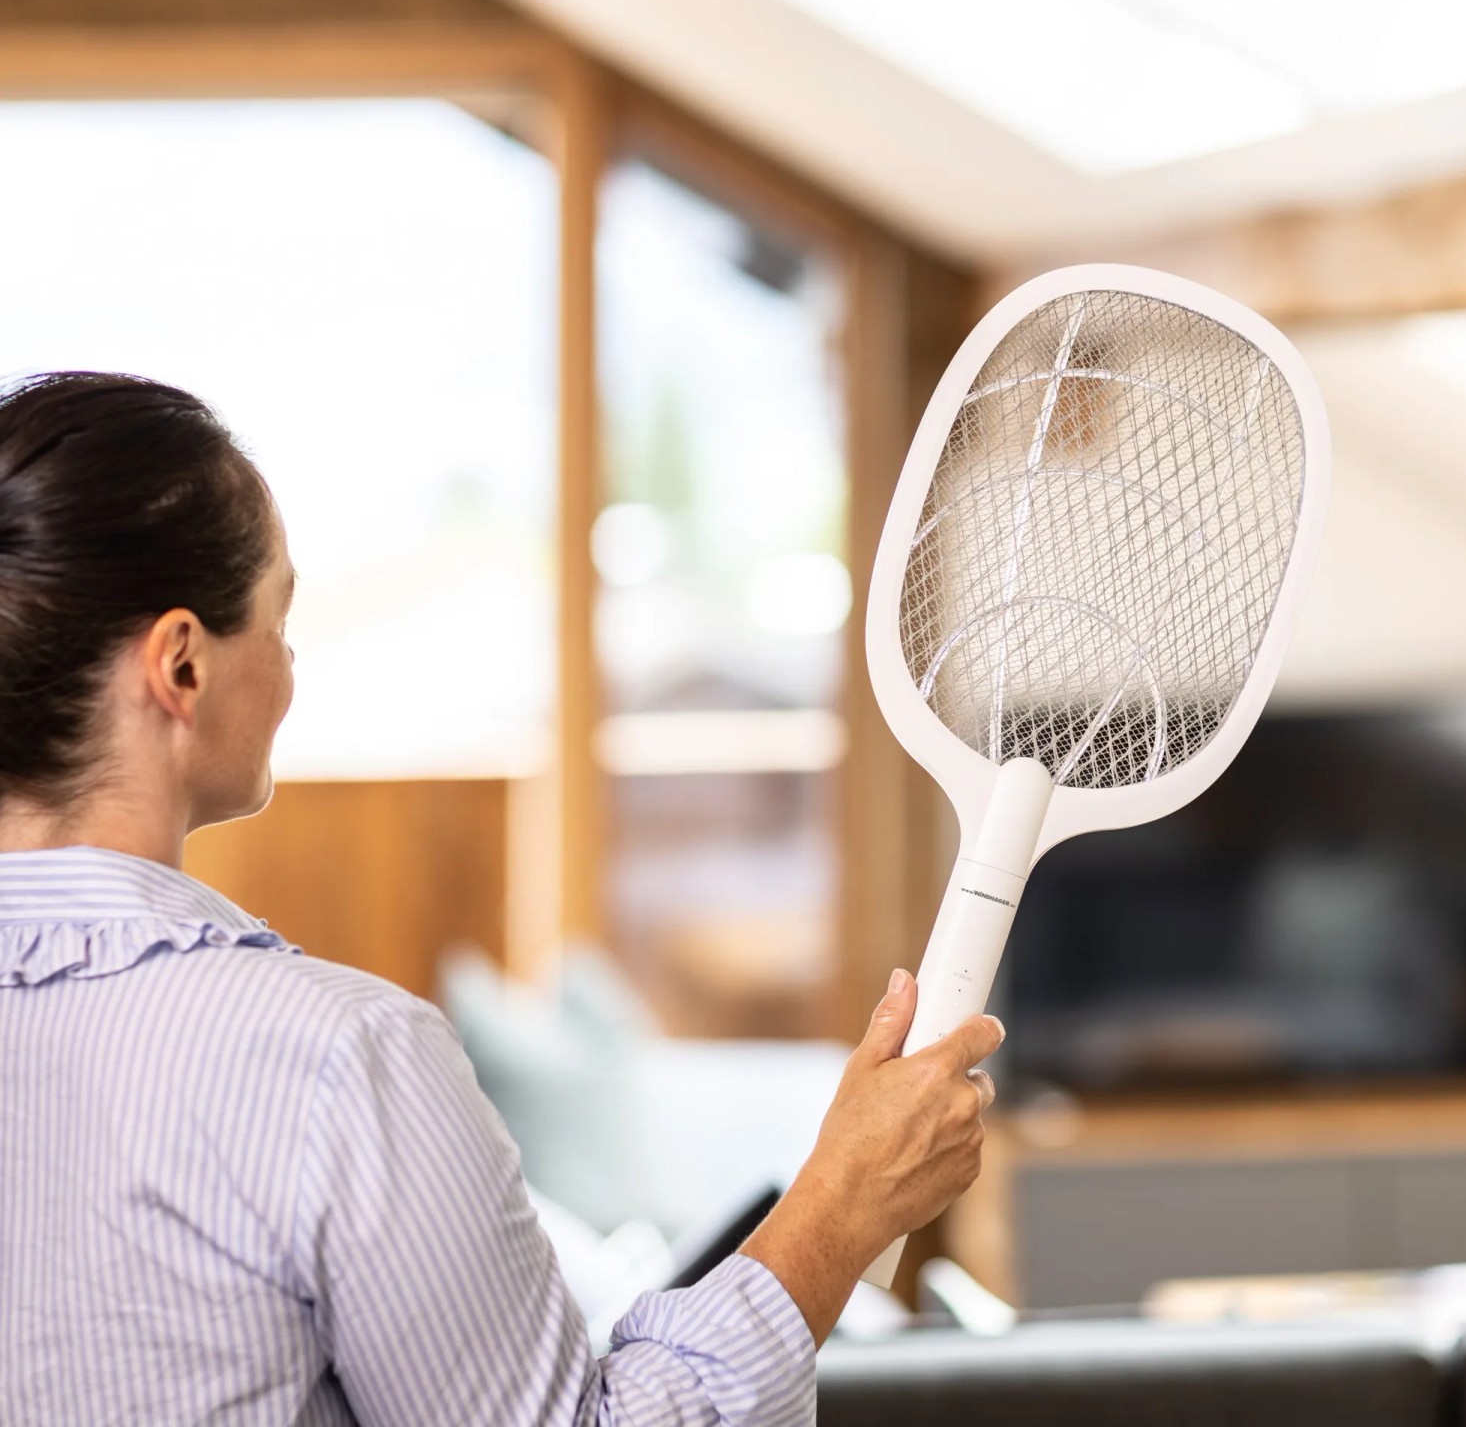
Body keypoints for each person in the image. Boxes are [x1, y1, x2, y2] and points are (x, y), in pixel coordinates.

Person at [0, 372, 1004, 1425]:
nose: (290, 667)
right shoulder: (338, 1062)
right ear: (183, 665)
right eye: (277, 619)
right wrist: (841, 1208)